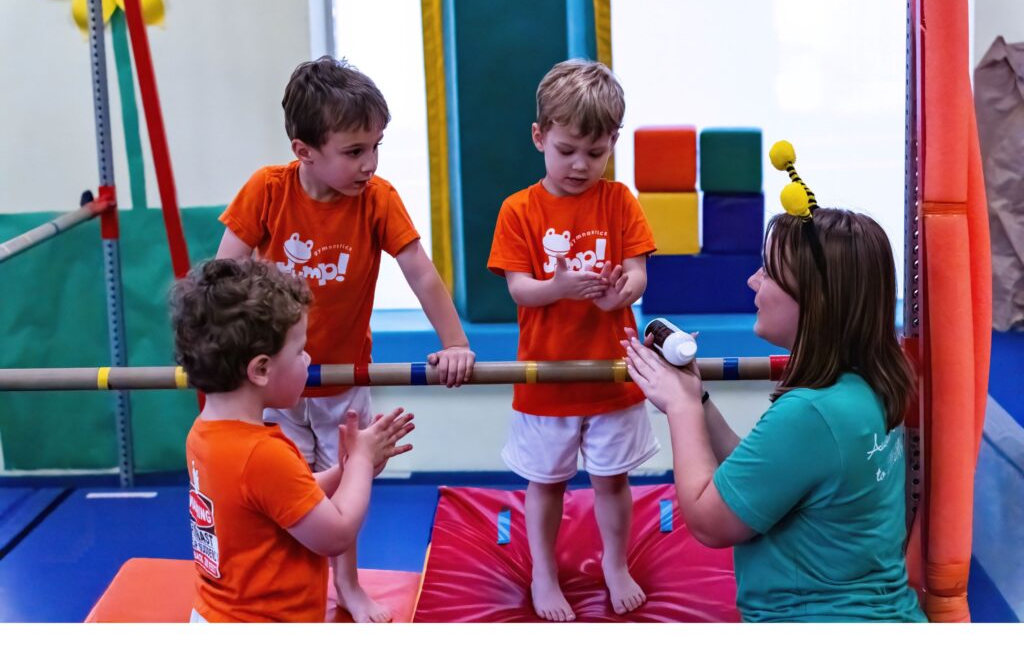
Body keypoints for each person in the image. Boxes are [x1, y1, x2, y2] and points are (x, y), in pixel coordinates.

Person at [216, 56, 474, 622]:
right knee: (286, 488)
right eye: (355, 152)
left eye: (377, 146)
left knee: (345, 483)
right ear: (304, 150)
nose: (370, 163)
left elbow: (420, 270)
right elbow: (222, 277)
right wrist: (218, 363)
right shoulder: (268, 191)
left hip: (340, 379)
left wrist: (454, 341)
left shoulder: (376, 199)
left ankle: (348, 585)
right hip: (270, 385)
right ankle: (283, 586)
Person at [622, 152, 927, 622]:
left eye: (766, 271)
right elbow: (765, 474)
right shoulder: (866, 382)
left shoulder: (811, 414)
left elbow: (708, 521)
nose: (752, 280)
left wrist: (679, 409)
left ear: (814, 300)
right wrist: (697, 398)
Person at [487, 59, 659, 622]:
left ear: (613, 142)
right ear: (539, 138)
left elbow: (638, 273)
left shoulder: (619, 201)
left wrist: (620, 293)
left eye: (595, 152)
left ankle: (614, 562)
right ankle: (543, 571)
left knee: (612, 481)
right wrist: (557, 286)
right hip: (547, 375)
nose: (580, 165)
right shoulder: (520, 209)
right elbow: (519, 290)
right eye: (566, 151)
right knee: (547, 483)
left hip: (610, 373)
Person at [175, 258, 415, 622]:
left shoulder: (205, 432)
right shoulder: (260, 454)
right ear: (261, 369)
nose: (309, 358)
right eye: (300, 350)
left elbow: (285, 497)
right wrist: (363, 466)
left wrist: (343, 471)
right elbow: (334, 535)